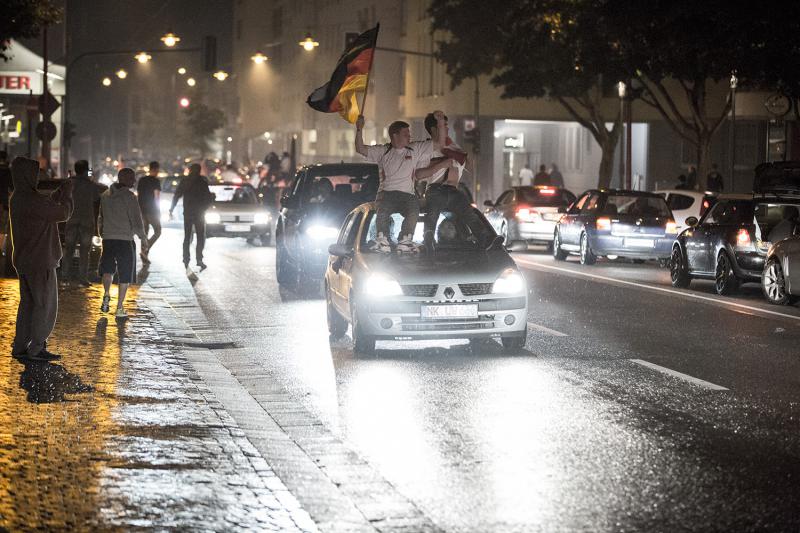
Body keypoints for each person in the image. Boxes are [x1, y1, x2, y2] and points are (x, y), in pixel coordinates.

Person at [9, 156, 73, 361]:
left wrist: (56, 194)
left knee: (28, 305)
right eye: (34, 174)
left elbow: (43, 208)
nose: (37, 178)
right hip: (41, 260)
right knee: (44, 305)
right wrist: (67, 196)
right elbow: (62, 213)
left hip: (24, 259)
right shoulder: (31, 199)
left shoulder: (18, 197)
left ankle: (20, 345)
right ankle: (37, 347)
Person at [355, 112, 445, 253]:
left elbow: (440, 144)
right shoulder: (383, 151)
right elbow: (360, 149)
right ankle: (382, 240)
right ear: (395, 136)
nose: (409, 136)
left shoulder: (415, 149)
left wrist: (440, 122)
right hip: (387, 193)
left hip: (407, 195)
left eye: (409, 133)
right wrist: (359, 129)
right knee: (383, 210)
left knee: (413, 209)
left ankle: (405, 240)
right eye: (405, 134)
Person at [415, 112, 496, 252]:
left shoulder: (454, 147)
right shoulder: (427, 149)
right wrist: (441, 164)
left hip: (453, 190)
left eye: (446, 125)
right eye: (443, 125)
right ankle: (428, 239)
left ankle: (485, 240)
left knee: (469, 213)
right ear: (434, 129)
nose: (446, 128)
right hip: (435, 189)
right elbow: (419, 174)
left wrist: (466, 155)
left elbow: (470, 168)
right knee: (432, 213)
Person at [98, 168, 147, 319]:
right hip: (125, 240)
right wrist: (143, 238)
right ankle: (119, 307)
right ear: (125, 179)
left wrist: (102, 233)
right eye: (132, 178)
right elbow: (136, 220)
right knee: (125, 274)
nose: (134, 181)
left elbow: (100, 217)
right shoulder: (130, 197)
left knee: (107, 269)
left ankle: (106, 293)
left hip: (108, 239)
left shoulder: (105, 195)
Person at [62, 160, 105, 286]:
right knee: (84, 251)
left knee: (68, 250)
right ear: (86, 170)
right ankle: (83, 278)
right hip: (86, 220)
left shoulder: (70, 183)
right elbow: (97, 198)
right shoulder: (91, 185)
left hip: (71, 218)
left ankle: (65, 276)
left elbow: (63, 197)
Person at [169, 163, 213, 271]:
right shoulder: (202, 181)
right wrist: (207, 205)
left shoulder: (185, 181)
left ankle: (186, 259)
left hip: (188, 212)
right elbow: (207, 197)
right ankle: (199, 259)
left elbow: (177, 195)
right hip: (199, 213)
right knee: (200, 236)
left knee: (187, 236)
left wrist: (171, 208)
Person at [136, 161, 162, 263]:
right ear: (155, 169)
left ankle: (144, 254)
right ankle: (146, 249)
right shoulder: (155, 181)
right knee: (158, 231)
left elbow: (138, 194)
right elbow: (157, 196)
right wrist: (158, 209)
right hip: (152, 210)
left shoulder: (142, 180)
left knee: (145, 233)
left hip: (142, 209)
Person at [0, 151, 12, 255]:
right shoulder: (8, 172)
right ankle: (1, 248)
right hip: (4, 203)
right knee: (3, 227)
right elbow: (12, 187)